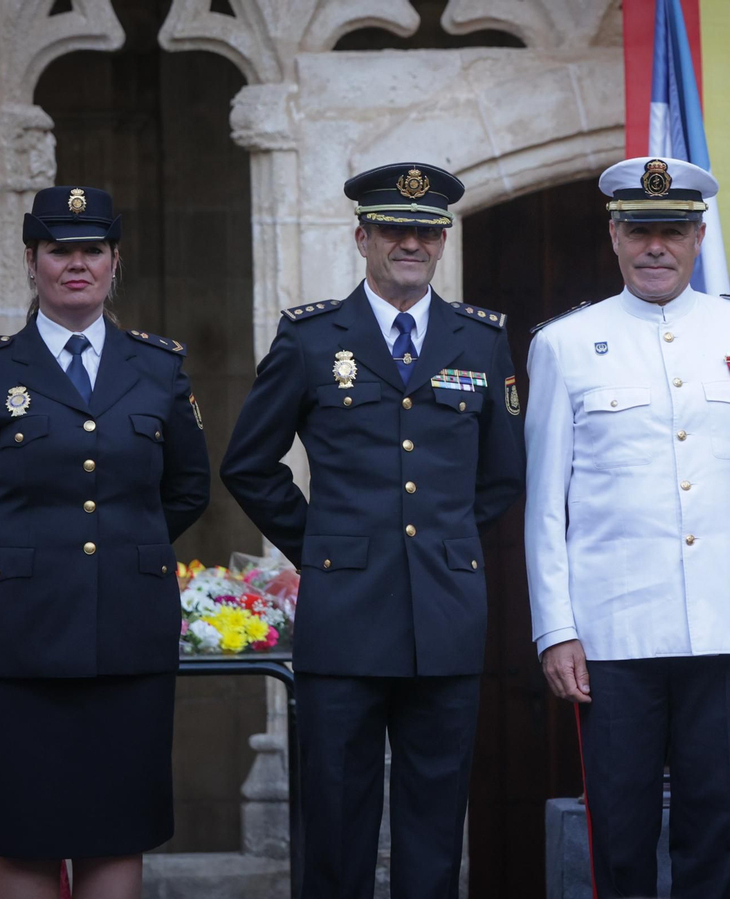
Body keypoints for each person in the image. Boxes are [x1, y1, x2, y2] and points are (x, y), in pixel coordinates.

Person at [219, 162, 524, 899]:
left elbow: (503, 475)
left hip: (446, 617)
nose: (411, 242)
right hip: (346, 615)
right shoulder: (313, 337)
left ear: (442, 241)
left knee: (433, 823)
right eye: (395, 228)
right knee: (336, 821)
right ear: (363, 237)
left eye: (426, 230)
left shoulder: (479, 341)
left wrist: (441, 544)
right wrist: (323, 544)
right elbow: (249, 463)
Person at [525, 156, 730, 898]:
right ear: (614, 235)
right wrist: (555, 628)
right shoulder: (563, 343)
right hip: (613, 632)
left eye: (674, 230)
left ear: (699, 233)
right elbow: (544, 506)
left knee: (717, 831)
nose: (658, 245)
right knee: (618, 836)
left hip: (729, 623)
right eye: (641, 229)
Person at [0, 185, 210, 899]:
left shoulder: (159, 368)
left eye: (91, 250)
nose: (75, 264)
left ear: (115, 261)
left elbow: (187, 489)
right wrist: (20, 564)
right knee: (21, 832)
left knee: (116, 829)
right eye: (59, 250)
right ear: (32, 260)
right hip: (16, 643)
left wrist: (116, 554)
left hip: (127, 643)